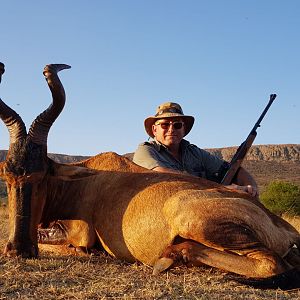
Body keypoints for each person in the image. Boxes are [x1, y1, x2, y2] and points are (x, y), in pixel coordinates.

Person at [133, 102, 259, 197]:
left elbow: (233, 169)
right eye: (165, 124)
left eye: (177, 125)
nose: (171, 129)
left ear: (183, 129)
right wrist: (223, 189)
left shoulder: (195, 152)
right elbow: (164, 175)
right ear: (155, 130)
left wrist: (251, 189)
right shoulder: (145, 151)